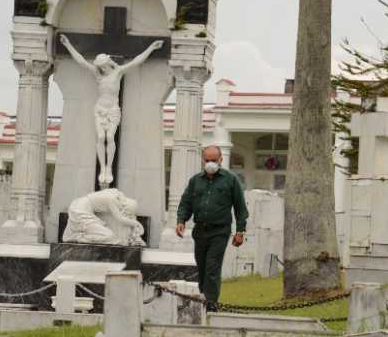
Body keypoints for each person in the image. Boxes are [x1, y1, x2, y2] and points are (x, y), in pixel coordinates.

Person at [59, 34, 163, 186]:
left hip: (113, 110)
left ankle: (109, 167)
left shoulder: (118, 72)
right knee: (101, 137)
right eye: (102, 65)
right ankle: (103, 168)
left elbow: (136, 61)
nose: (103, 67)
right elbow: (81, 61)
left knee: (110, 137)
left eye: (104, 64)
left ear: (107, 63)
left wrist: (151, 48)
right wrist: (68, 45)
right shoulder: (98, 75)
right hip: (100, 109)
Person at [175, 145, 249, 311]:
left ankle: (211, 304)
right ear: (203, 160)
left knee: (212, 267)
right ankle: (203, 300)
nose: (210, 163)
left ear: (221, 160)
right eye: (207, 160)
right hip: (200, 230)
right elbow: (186, 203)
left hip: (220, 231)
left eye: (214, 160)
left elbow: (240, 208)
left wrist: (240, 231)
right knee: (201, 267)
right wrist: (181, 220)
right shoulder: (195, 181)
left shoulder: (231, 179)